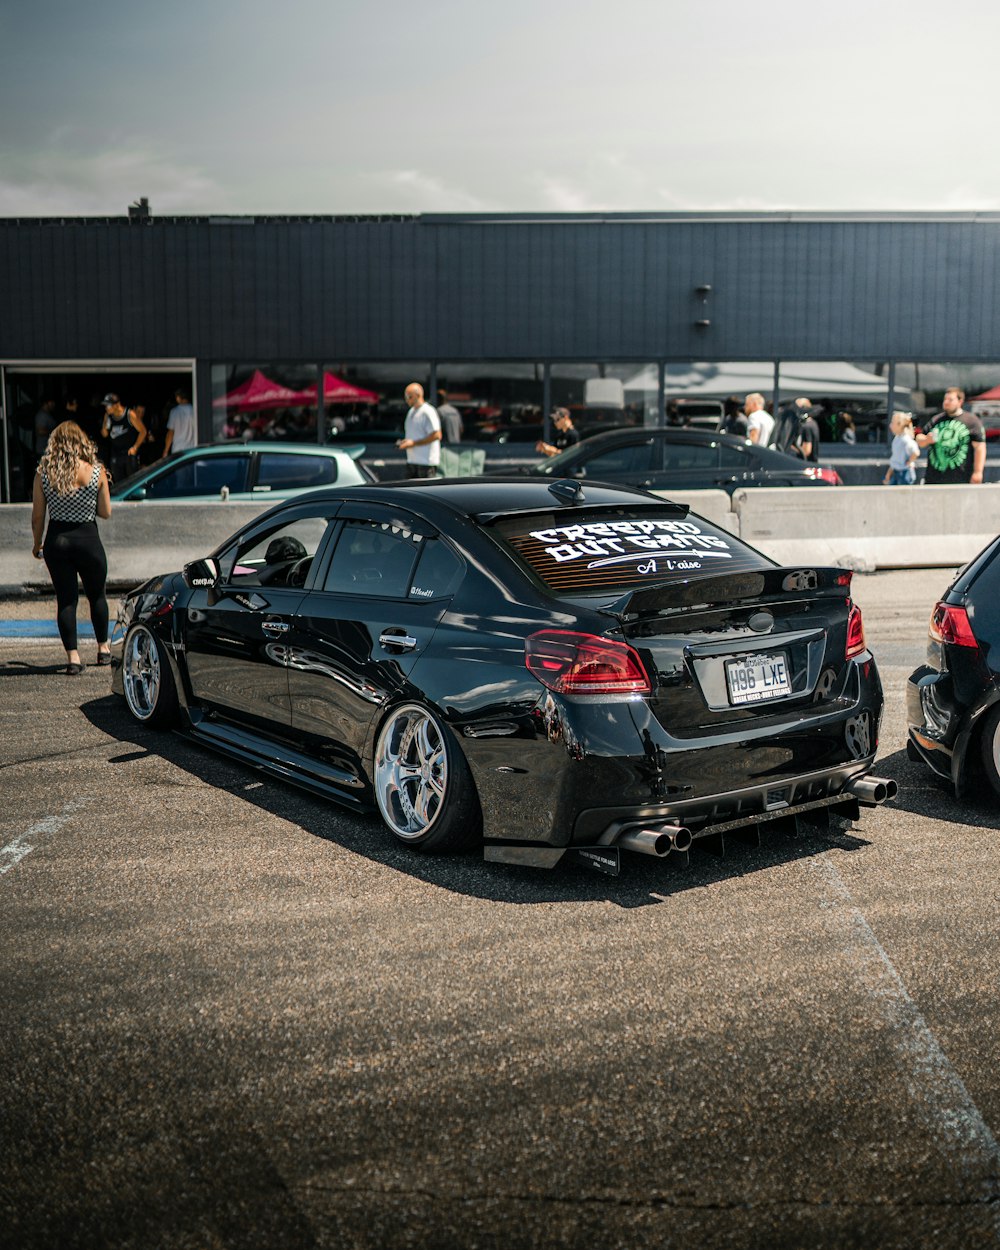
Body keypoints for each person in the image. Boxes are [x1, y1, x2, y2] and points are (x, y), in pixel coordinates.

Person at [30, 421, 112, 675]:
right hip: (89, 540)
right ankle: (103, 649)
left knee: (66, 600)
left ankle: (73, 658)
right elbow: (105, 513)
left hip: (58, 541)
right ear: (82, 443)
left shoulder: (44, 473)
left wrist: (37, 543)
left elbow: (38, 516)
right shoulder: (97, 471)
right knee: (97, 595)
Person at [916, 387, 986, 484]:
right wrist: (927, 439)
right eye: (945, 399)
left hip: (961, 479)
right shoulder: (936, 420)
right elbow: (919, 439)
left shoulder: (971, 421)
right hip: (934, 479)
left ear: (960, 401)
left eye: (950, 400)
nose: (946, 402)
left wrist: (978, 472)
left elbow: (980, 447)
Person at [397, 382, 441, 478]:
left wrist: (413, 443)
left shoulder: (428, 411)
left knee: (425, 491)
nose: (407, 400)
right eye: (406, 397)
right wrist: (406, 442)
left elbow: (437, 435)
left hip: (426, 463)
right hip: (412, 461)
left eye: (409, 397)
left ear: (418, 395)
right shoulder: (411, 412)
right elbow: (415, 435)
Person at [100, 393, 147, 483]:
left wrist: (135, 447)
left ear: (117, 404)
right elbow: (105, 434)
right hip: (116, 454)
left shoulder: (129, 414)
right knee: (119, 482)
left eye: (108, 405)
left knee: (133, 481)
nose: (106, 408)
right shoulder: (108, 416)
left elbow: (143, 431)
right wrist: (105, 423)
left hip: (128, 453)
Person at [883, 411, 920, 485]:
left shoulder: (905, 439)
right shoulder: (897, 438)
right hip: (896, 472)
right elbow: (895, 458)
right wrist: (889, 474)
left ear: (900, 424)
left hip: (904, 473)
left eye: (893, 423)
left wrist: (910, 461)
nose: (890, 425)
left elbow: (916, 452)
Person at [163, 388, 197, 456]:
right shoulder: (194, 410)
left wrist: (166, 450)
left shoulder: (174, 412)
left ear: (178, 398)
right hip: (192, 448)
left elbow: (171, 433)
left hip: (177, 449)